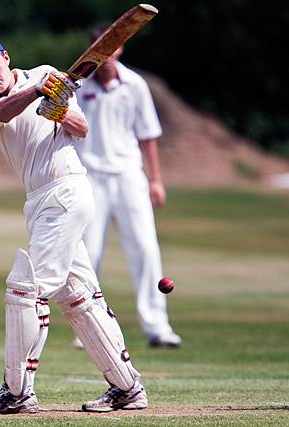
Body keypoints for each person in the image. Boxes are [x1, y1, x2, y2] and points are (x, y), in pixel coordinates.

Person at [0, 34, 148, 414]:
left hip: (66, 191)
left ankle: (17, 393)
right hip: (39, 202)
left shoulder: (46, 74)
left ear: (6, 57)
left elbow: (81, 129)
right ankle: (127, 388)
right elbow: (5, 113)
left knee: (26, 289)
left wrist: (59, 109)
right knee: (78, 294)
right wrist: (38, 94)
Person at [73, 24, 181, 349]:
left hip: (129, 175)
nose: (107, 53)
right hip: (90, 176)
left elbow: (147, 135)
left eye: (113, 46)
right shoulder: (77, 86)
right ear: (93, 49)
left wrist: (156, 179)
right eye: (101, 47)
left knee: (145, 249)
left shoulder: (135, 85)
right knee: (89, 253)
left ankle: (157, 326)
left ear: (120, 49)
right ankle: (89, 328)